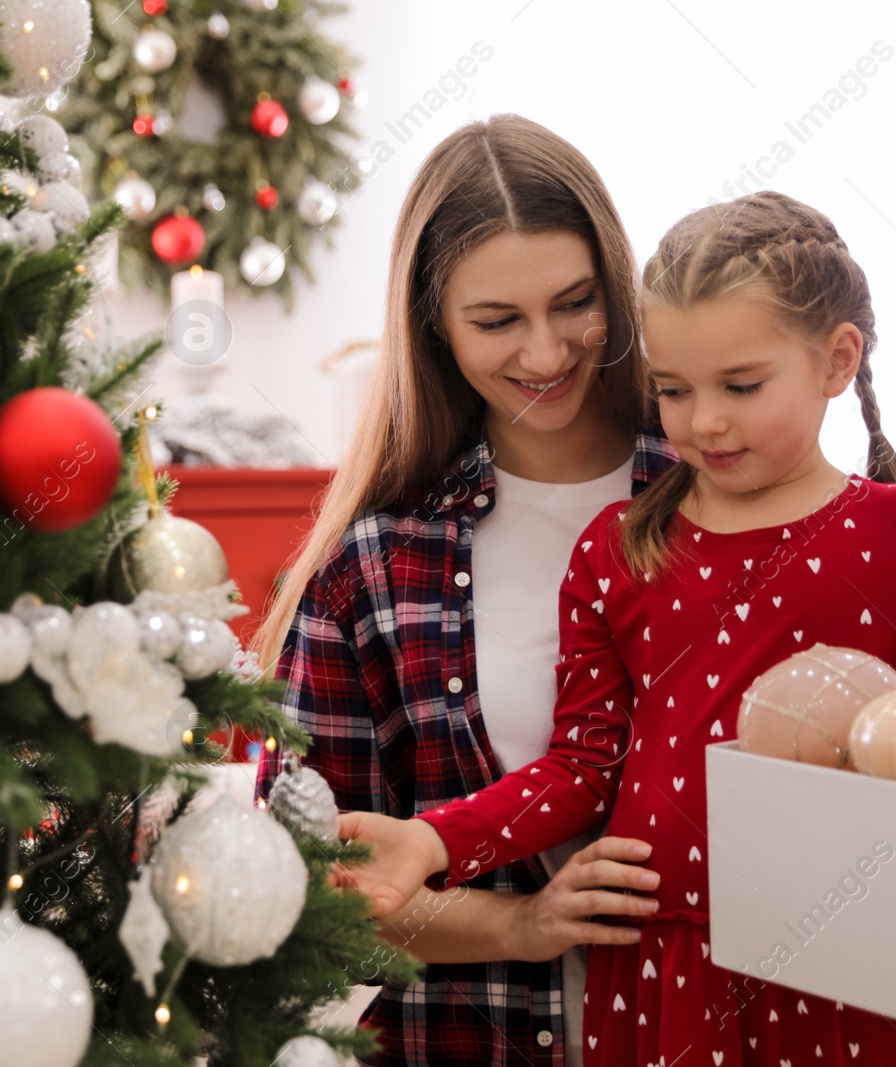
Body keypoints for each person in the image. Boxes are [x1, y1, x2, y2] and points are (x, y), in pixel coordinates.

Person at [333, 190, 896, 1067]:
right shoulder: (617, 546)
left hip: (843, 963)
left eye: (740, 386)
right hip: (656, 966)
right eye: (673, 390)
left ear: (837, 359)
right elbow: (582, 764)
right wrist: (434, 837)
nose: (703, 421)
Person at [250, 114, 675, 1067]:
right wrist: (522, 924)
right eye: (496, 321)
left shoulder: (720, 489)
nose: (546, 352)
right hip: (472, 1037)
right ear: (433, 327)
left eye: (576, 303)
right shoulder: (376, 562)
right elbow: (317, 886)